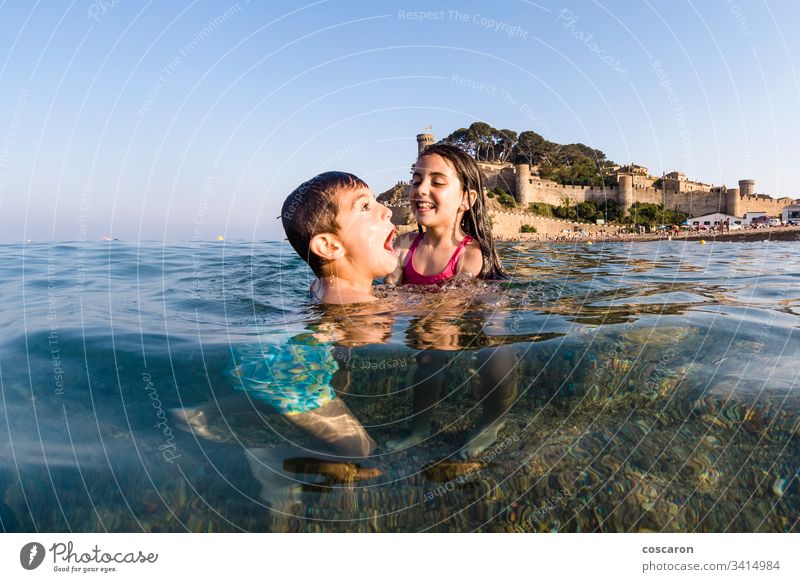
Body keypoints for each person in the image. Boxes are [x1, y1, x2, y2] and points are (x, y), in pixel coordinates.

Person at [174, 172, 398, 459]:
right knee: (363, 451)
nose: (387, 209)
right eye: (365, 206)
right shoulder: (356, 301)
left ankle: (201, 413)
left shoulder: (321, 286)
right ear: (329, 246)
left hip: (269, 355)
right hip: (286, 366)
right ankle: (273, 462)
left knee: (288, 392)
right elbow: (374, 336)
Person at [385, 144, 518, 458]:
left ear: (467, 200)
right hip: (433, 315)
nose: (421, 189)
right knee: (428, 355)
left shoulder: (472, 254)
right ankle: (420, 427)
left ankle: (493, 421)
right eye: (416, 180)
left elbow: (454, 302)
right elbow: (388, 292)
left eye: (437, 182)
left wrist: (407, 304)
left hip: (479, 311)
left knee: (495, 350)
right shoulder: (404, 246)